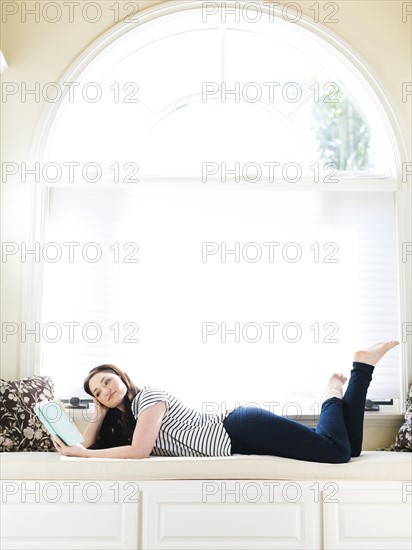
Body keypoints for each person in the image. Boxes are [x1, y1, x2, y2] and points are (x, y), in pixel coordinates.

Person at [52, 341, 399, 463]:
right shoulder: (122, 415)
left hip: (239, 428)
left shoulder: (148, 398)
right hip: (243, 438)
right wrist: (97, 416)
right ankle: (362, 366)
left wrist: (85, 454)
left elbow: (139, 451)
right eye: (97, 392)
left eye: (106, 382)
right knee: (348, 449)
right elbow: (86, 444)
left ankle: (331, 394)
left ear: (122, 378)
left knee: (334, 452)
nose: (104, 391)